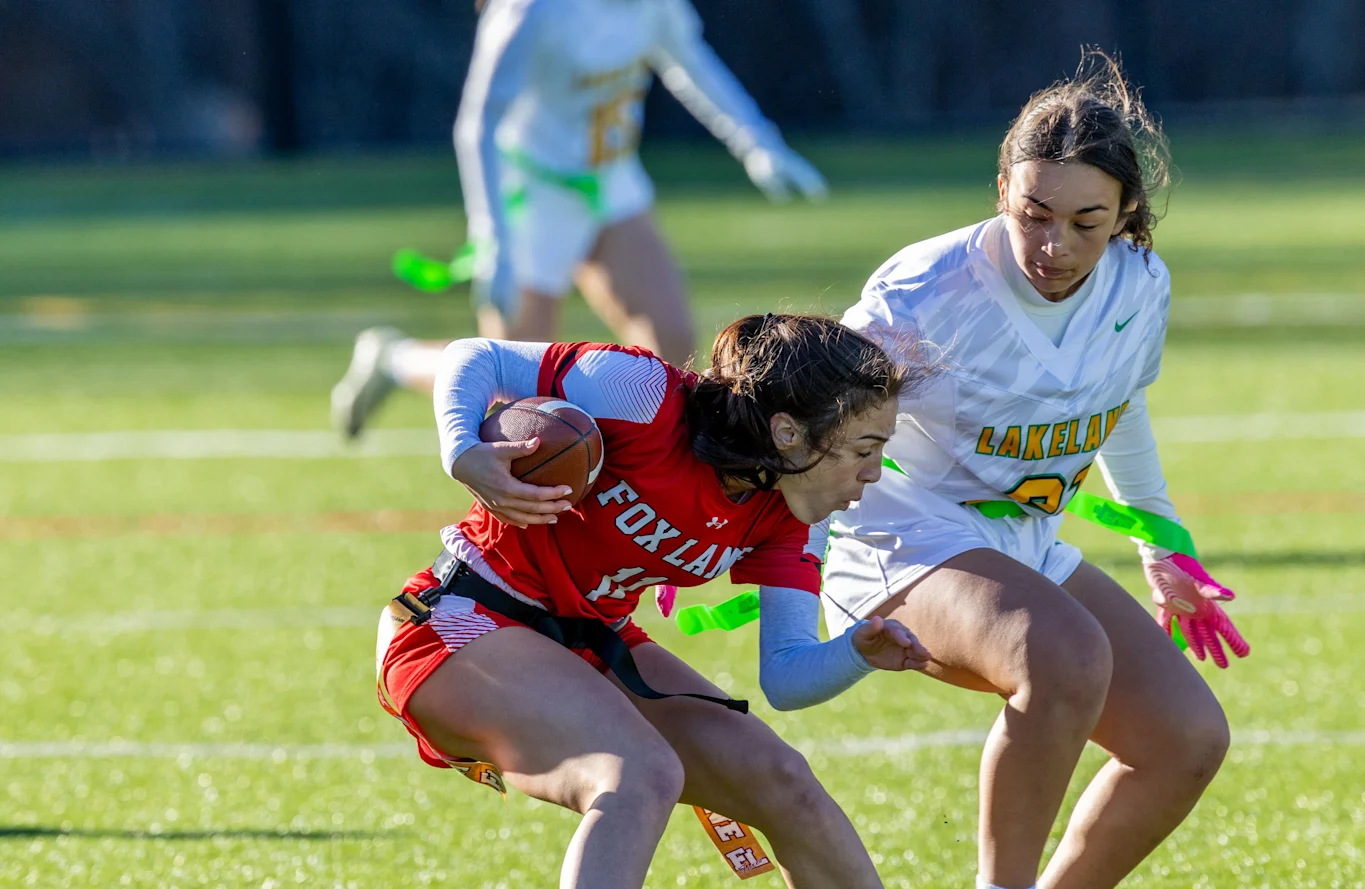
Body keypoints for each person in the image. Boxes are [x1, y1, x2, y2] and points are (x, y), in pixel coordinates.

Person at [820, 53, 1249, 889]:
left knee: (1185, 739)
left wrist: (1161, 539)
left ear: (1127, 210)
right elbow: (815, 415)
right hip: (899, 536)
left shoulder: (1140, 282)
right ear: (1002, 193)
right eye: (1034, 214)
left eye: (1087, 221)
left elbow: (1119, 404)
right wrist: (739, 522)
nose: (1054, 245)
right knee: (1063, 654)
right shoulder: (926, 288)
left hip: (1023, 543)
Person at [375, 314, 930, 889]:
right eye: (866, 448)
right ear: (789, 433)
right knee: (638, 773)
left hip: (591, 643)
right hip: (459, 620)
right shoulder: (644, 396)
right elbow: (476, 354)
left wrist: (858, 654)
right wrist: (462, 450)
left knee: (781, 779)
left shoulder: (790, 511)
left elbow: (785, 676)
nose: (873, 473)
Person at [333, 0, 828, 439]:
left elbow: (689, 59)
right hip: (533, 197)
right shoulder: (533, 10)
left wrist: (757, 143)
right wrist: (493, 237)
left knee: (676, 359)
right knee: (515, 400)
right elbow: (478, 123)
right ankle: (394, 360)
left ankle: (646, 509)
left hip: (612, 186)